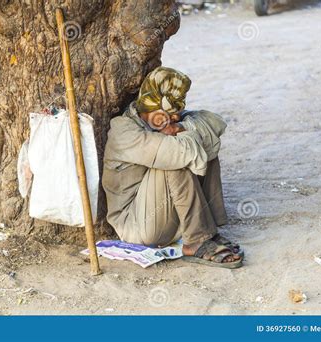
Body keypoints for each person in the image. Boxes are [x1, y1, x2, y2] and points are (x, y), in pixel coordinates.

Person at [102, 66, 243, 268]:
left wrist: (180, 128)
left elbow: (216, 123)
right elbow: (177, 152)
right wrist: (184, 134)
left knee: (203, 144)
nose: (176, 115)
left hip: (164, 216)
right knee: (177, 156)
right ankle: (196, 241)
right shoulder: (123, 130)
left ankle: (209, 229)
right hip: (137, 225)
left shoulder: (166, 120)